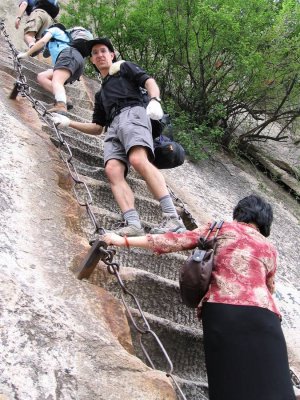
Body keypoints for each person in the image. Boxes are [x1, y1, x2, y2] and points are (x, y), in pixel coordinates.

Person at [99, 194, 296, 400]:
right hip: (266, 319)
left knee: (228, 379)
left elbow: (174, 240)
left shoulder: (221, 229)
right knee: (275, 383)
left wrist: (123, 241)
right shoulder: (269, 248)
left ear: (240, 212)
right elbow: (269, 287)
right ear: (265, 222)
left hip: (224, 310)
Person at [52, 37, 186, 237]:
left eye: (103, 51)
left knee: (137, 159)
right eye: (95, 53)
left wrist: (155, 100)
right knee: (113, 170)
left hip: (133, 112)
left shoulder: (123, 68)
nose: (99, 55)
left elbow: (148, 81)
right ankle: (133, 223)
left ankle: (172, 217)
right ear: (92, 61)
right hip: (113, 126)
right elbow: (98, 127)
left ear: (112, 55)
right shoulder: (100, 94)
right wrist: (69, 123)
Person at [17, 23, 85, 114]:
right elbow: (45, 52)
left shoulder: (55, 30)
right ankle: (64, 97)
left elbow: (42, 42)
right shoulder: (60, 41)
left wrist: (26, 54)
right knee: (42, 77)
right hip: (75, 63)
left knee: (57, 81)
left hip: (69, 56)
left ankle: (61, 106)